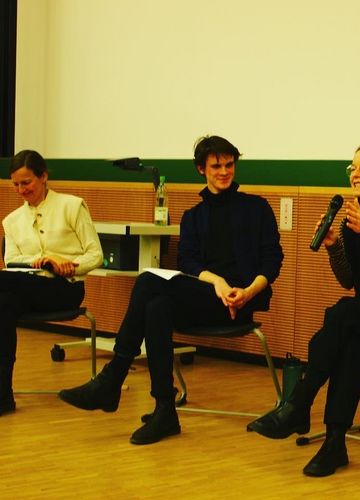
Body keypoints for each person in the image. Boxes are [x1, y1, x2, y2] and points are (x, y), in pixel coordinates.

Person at [59, 135, 284, 444]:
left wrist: (246, 291)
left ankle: (112, 379)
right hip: (206, 296)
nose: (224, 171)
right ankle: (165, 409)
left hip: (242, 301)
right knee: (157, 307)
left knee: (148, 281)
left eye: (229, 164)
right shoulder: (193, 217)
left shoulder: (257, 207)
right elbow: (188, 262)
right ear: (200, 169)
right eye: (216, 165)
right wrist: (218, 282)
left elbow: (273, 260)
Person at [249, 143, 360, 477]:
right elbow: (349, 279)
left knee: (343, 314)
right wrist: (335, 246)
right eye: (352, 167)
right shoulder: (353, 219)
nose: (355, 174)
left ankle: (299, 403)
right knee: (351, 337)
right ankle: (335, 443)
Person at [1, 150, 103, 415]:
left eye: (27, 183)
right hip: (25, 288)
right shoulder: (11, 221)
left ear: (43, 176)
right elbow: (11, 261)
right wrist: (44, 258)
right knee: (3, 303)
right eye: (15, 184)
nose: (21, 189)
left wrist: (68, 264)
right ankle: (3, 396)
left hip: (64, 288)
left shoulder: (72, 205)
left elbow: (96, 254)